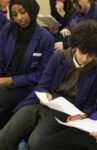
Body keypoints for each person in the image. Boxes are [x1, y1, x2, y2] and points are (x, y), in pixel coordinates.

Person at [0, 20, 97, 150]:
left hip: (65, 112)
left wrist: (83, 115)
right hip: (41, 102)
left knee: (36, 142)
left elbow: (93, 102)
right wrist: (44, 94)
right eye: (82, 52)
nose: (85, 59)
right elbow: (43, 84)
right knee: (5, 136)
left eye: (90, 56)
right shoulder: (59, 57)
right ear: (75, 46)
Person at [0, 0, 54, 128]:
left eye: (22, 12)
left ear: (31, 10)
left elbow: (42, 75)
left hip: (26, 86)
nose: (19, 18)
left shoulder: (46, 39)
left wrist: (10, 80)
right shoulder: (8, 30)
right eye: (14, 14)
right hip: (4, 80)